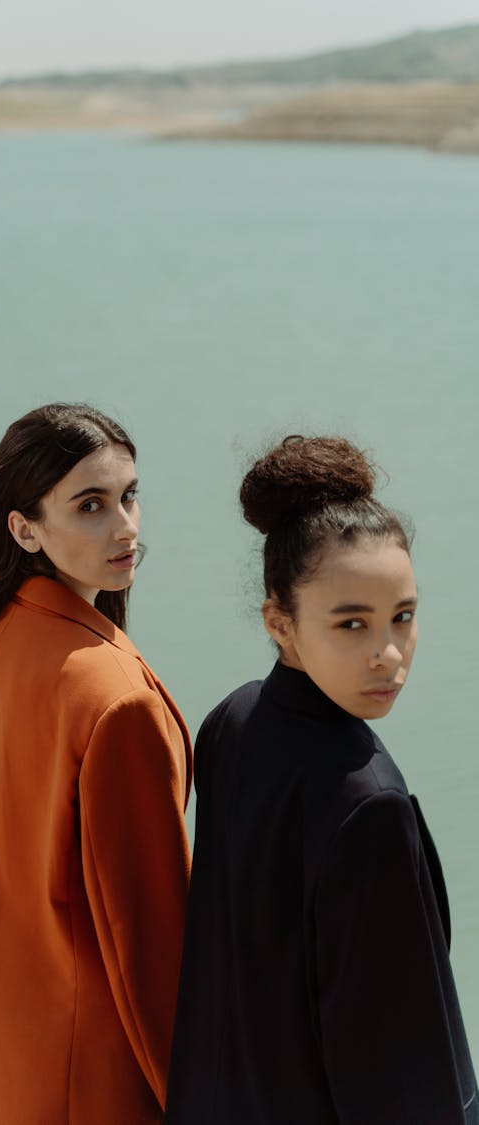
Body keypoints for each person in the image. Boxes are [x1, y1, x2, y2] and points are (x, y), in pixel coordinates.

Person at [165, 435, 478, 1125]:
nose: (388, 654)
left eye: (403, 616)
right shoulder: (367, 804)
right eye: (351, 623)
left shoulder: (230, 723)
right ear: (280, 621)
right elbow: (401, 1055)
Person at [0, 403, 193, 1125]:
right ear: (24, 527)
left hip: (1, 1032)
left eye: (129, 495)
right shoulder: (115, 699)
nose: (125, 525)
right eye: (91, 505)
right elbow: (149, 932)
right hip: (93, 1058)